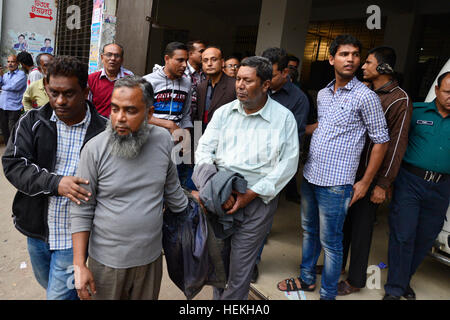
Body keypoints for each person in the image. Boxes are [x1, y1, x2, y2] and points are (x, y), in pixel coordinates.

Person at [276, 34, 390, 300]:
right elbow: (326, 126)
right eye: (343, 54)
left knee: (332, 242)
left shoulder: (366, 97)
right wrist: (299, 130)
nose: (350, 59)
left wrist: (365, 182)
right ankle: (306, 279)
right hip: (312, 174)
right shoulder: (325, 93)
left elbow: (381, 142)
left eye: (354, 55)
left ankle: (328, 293)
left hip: (337, 183)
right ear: (331, 59)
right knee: (309, 232)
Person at [71, 76, 188, 300]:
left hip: (150, 260)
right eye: (115, 109)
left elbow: (173, 191)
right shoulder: (94, 150)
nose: (119, 119)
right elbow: (81, 210)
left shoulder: (164, 140)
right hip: (107, 263)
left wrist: (197, 204)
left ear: (150, 113)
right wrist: (79, 265)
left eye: (130, 110)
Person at [1, 56, 107, 300]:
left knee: (58, 296)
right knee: (49, 283)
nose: (59, 101)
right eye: (53, 92)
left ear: (85, 91)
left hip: (75, 235)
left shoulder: (104, 131)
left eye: (69, 93)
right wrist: (55, 183)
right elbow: (13, 164)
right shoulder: (32, 122)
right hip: (37, 228)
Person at [194, 56, 299, 300]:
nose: (239, 85)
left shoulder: (283, 119)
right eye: (238, 79)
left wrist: (250, 193)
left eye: (247, 80)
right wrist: (216, 188)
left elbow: (288, 164)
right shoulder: (224, 113)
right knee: (218, 266)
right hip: (221, 198)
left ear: (265, 85)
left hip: (257, 202)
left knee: (240, 271)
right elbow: (203, 151)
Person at [338, 46, 412, 296]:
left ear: (384, 68)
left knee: (361, 228)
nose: (362, 66)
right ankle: (336, 267)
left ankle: (356, 279)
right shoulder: (366, 91)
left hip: (372, 177)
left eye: (368, 62)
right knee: (344, 223)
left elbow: (396, 145)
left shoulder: (399, 99)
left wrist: (382, 183)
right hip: (351, 170)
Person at [383, 71, 450, 300]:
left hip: (442, 187)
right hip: (410, 182)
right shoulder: (416, 111)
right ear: (437, 91)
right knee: (403, 235)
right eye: (448, 92)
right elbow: (396, 144)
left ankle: (403, 281)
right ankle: (394, 289)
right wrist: (388, 180)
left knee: (425, 237)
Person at [143, 42, 193, 188]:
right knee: (153, 184)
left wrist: (186, 138)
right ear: (167, 59)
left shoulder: (187, 83)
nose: (184, 65)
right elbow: (141, 115)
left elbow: (186, 114)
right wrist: (169, 124)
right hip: (151, 142)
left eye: (186, 60)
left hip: (177, 144)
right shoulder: (148, 81)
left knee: (175, 184)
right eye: (180, 60)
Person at [195, 46, 236, 131]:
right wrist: (197, 140)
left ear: (222, 62)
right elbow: (198, 117)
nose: (209, 64)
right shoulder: (201, 87)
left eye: (214, 59)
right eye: (205, 60)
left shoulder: (234, 85)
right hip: (203, 137)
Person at [88, 43, 134, 117]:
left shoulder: (129, 78)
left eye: (117, 55)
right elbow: (87, 105)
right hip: (98, 122)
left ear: (122, 60)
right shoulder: (92, 79)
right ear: (102, 58)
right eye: (109, 55)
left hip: (121, 120)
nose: (112, 58)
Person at [0, 55, 27, 144]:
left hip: (14, 107)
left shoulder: (21, 75)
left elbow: (14, 87)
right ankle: (9, 150)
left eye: (12, 62)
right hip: (3, 106)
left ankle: (15, 150)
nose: (10, 64)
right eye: (8, 62)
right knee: (4, 130)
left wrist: (2, 87)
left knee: (12, 130)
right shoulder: (5, 75)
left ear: (17, 63)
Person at [185, 40, 206, 117]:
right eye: (201, 51)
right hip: (183, 119)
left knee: (198, 129)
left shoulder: (206, 73)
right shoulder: (181, 71)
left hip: (198, 117)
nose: (204, 54)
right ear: (190, 54)